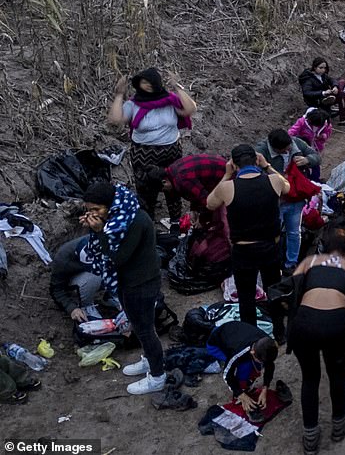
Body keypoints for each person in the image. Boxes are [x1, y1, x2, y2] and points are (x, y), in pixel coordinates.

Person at [81, 182, 166, 395]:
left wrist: (99, 232)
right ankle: (149, 360)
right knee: (139, 325)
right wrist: (97, 228)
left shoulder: (135, 221)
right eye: (88, 210)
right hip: (128, 282)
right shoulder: (119, 216)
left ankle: (157, 376)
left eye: (96, 209)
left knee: (145, 330)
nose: (93, 214)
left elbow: (118, 258)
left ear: (110, 204)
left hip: (141, 282)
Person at [288, 227, 345, 451]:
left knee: (310, 378)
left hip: (303, 323)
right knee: (336, 373)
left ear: (323, 244)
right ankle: (338, 424)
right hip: (334, 324)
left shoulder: (309, 261)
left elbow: (291, 292)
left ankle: (310, 437)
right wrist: (341, 303)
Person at [207, 145, 290, 339]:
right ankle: (280, 332)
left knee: (246, 296)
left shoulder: (228, 187)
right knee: (274, 291)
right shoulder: (274, 180)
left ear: (234, 165)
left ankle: (251, 337)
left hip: (244, 251)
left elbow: (210, 203)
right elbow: (288, 186)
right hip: (271, 246)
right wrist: (268, 166)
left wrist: (227, 175)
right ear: (256, 160)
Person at [107, 68, 197, 223]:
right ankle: (148, 225)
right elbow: (116, 119)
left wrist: (177, 87)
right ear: (138, 85)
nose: (147, 85)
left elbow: (190, 109)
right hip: (143, 154)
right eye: (143, 82)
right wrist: (119, 94)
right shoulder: (134, 104)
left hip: (171, 151)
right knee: (145, 189)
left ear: (157, 83)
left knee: (174, 186)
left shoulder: (170, 100)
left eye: (150, 82)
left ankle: (175, 223)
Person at [145, 153, 229, 265]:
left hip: (225, 175)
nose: (166, 192)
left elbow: (207, 201)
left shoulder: (181, 180)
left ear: (164, 181)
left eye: (163, 189)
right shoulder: (173, 170)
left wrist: (202, 220)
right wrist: (194, 210)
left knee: (222, 219)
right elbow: (196, 191)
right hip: (218, 170)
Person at [255, 130, 321, 270]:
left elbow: (316, 156)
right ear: (275, 148)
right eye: (284, 149)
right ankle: (274, 264)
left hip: (296, 198)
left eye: (288, 147)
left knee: (294, 232)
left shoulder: (295, 142)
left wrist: (307, 160)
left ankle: (291, 263)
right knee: (273, 234)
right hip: (276, 201)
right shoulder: (261, 151)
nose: (288, 150)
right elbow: (255, 174)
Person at [206, 321, 279, 417]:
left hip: (233, 331)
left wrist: (265, 388)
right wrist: (240, 394)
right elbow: (227, 374)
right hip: (215, 344)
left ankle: (245, 385)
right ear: (252, 352)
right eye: (260, 360)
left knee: (255, 366)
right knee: (245, 366)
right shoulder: (239, 351)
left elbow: (269, 364)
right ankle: (239, 394)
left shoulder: (268, 343)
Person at [49, 236, 109, 322]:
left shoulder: (106, 242)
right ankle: (86, 306)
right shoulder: (63, 259)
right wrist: (71, 308)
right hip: (76, 280)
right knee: (94, 277)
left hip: (95, 269)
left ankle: (110, 296)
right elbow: (56, 290)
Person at [298, 58, 345, 124]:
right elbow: (307, 93)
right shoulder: (308, 79)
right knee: (341, 94)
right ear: (315, 67)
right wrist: (323, 93)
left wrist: (335, 87)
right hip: (316, 100)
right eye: (320, 68)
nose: (323, 70)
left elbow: (332, 80)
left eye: (324, 68)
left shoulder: (323, 75)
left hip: (327, 95)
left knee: (341, 88)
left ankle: (342, 118)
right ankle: (327, 102)